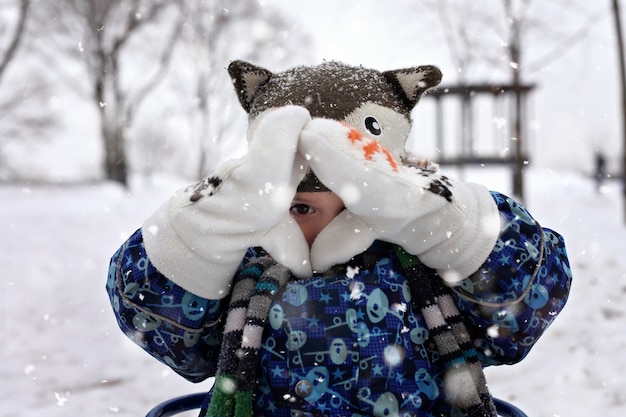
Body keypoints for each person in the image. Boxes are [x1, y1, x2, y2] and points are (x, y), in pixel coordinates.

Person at [106, 60, 572, 417]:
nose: (293, 225)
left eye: (307, 208)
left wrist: (440, 218)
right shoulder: (245, 266)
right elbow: (158, 322)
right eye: (285, 207)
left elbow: (525, 305)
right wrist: (208, 225)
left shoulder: (419, 265)